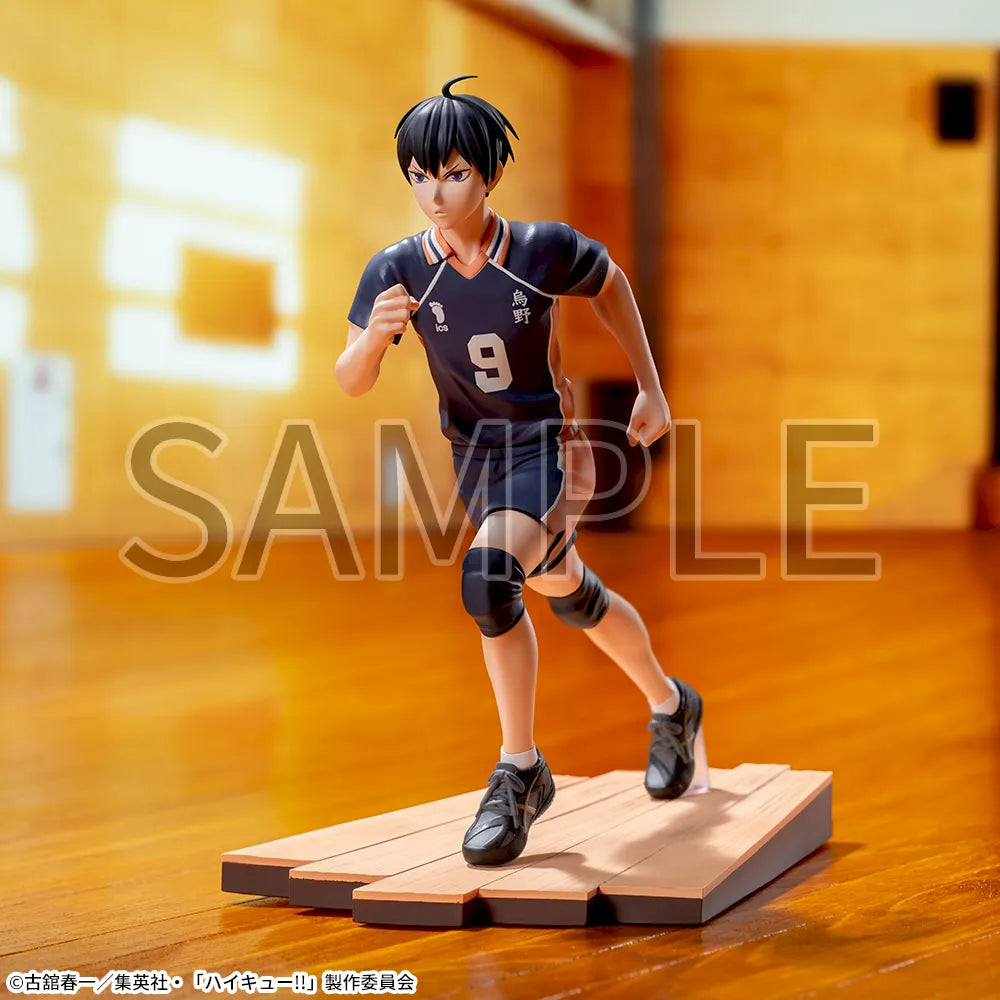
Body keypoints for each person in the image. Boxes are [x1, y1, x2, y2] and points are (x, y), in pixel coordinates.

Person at [336, 75, 707, 867]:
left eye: (454, 174)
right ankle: (673, 704)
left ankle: (520, 770)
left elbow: (610, 283)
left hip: (551, 448)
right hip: (476, 460)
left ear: (491, 174)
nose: (435, 194)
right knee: (566, 592)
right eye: (420, 177)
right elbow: (351, 379)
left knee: (487, 579)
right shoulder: (398, 269)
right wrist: (370, 341)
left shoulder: (540, 250)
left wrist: (649, 385)